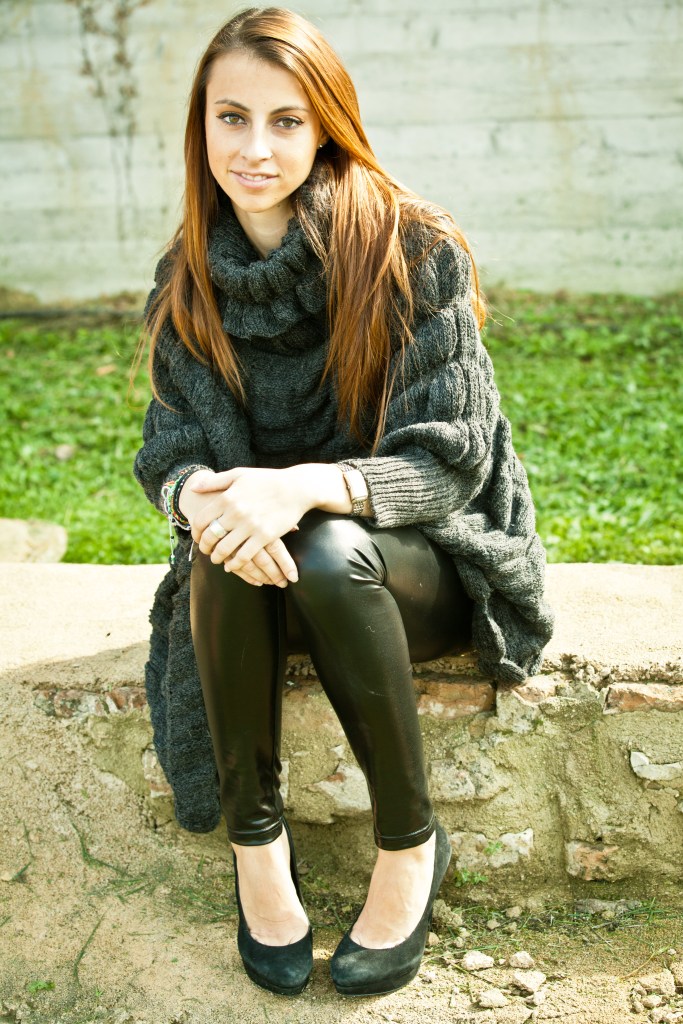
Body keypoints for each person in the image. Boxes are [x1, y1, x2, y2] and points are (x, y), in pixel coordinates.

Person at [133, 5, 554, 999]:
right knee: (220, 540)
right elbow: (170, 455)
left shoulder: (409, 245)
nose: (255, 147)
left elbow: (448, 458)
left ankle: (410, 843)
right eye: (231, 118)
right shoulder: (188, 276)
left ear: (325, 126)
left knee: (320, 543)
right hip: (264, 579)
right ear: (201, 125)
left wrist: (303, 487)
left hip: (414, 564)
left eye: (286, 120)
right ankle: (257, 847)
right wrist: (202, 496)